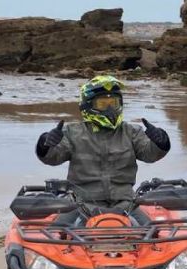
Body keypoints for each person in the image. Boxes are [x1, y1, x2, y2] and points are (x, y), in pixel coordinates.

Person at [35, 76, 170, 225]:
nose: (110, 108)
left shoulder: (131, 131)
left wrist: (161, 142)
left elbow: (149, 154)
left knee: (155, 235)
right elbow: (53, 157)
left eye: (113, 103)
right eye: (103, 104)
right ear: (88, 105)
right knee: (55, 233)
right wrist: (45, 144)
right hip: (81, 203)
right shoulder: (72, 132)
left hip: (126, 203)